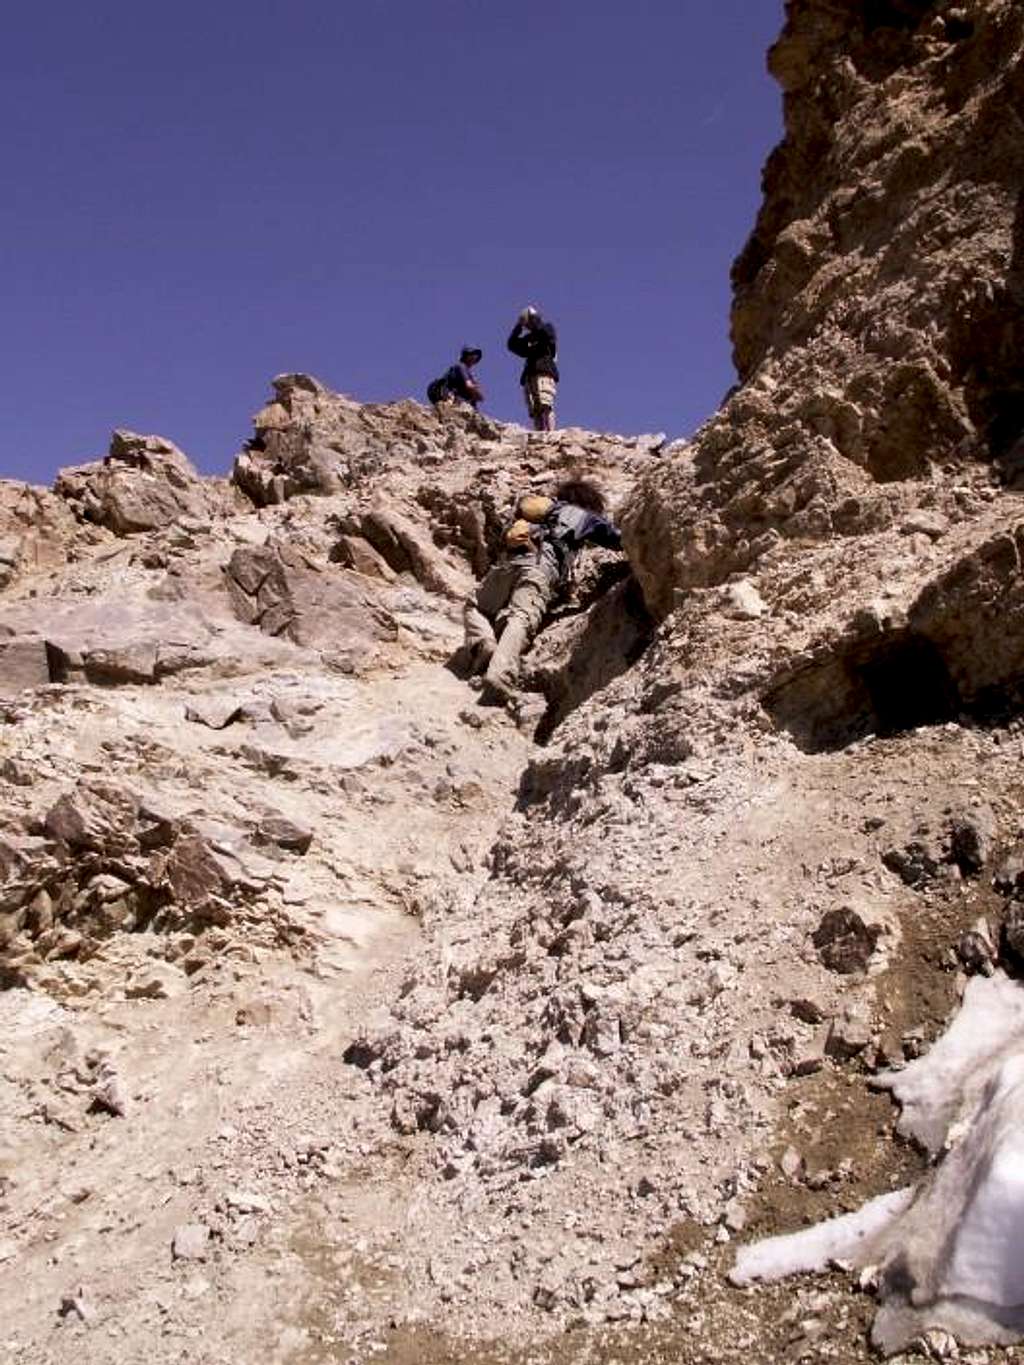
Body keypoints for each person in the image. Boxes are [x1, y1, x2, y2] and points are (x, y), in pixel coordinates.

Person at [463, 481, 623, 702]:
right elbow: (620, 539)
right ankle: (500, 676)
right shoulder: (585, 516)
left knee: (475, 606)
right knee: (521, 618)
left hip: (507, 565)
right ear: (589, 502)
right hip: (540, 569)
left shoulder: (540, 511)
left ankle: (483, 643)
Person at [507, 307, 558, 431]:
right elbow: (511, 344)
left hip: (544, 371)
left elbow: (548, 336)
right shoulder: (528, 338)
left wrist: (534, 318)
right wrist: (518, 327)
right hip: (530, 375)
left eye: (528, 321)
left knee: (545, 404)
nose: (528, 325)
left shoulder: (547, 328)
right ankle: (540, 434)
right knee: (535, 409)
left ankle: (550, 433)